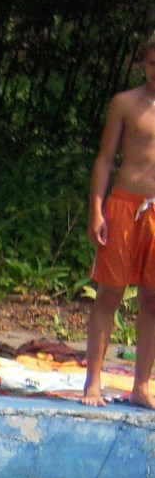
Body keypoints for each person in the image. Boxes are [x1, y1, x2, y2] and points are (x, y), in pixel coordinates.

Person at [83, 31, 155, 408]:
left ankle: (141, 386)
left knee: (153, 299)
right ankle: (93, 382)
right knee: (109, 293)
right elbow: (105, 158)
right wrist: (96, 209)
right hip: (125, 206)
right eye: (154, 63)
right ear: (143, 63)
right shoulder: (125, 103)